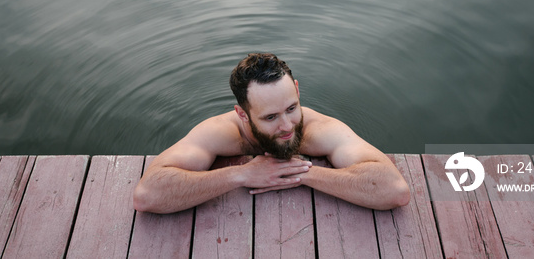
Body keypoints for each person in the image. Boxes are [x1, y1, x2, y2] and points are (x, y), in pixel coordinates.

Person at [133, 52, 410, 214]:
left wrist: (302, 172)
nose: (288, 126)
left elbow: (395, 190)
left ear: (298, 91)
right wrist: (241, 174)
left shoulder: (320, 129)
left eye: (291, 108)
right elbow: (147, 194)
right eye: (270, 117)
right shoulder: (220, 132)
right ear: (243, 114)